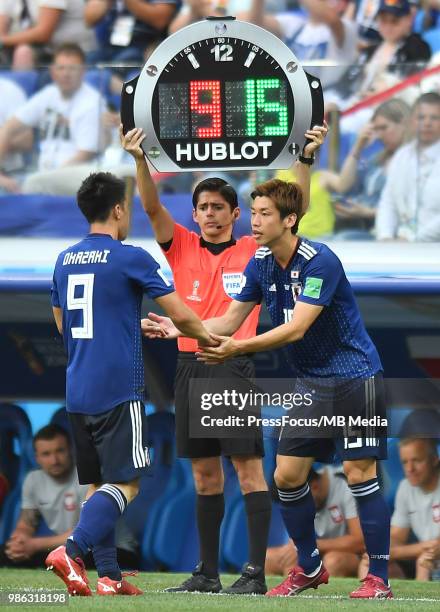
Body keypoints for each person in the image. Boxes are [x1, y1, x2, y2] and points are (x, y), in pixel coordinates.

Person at [146, 177, 392, 599]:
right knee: (286, 476)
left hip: (355, 376)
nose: (255, 222)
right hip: (313, 383)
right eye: (254, 213)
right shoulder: (260, 262)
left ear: (289, 220)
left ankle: (379, 579)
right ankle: (310, 567)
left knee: (358, 472)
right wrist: (181, 327)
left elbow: (295, 329)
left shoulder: (321, 262)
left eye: (264, 214)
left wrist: (237, 347)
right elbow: (227, 319)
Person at [122, 122, 327, 594]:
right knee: (202, 472)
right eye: (202, 208)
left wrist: (307, 160)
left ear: (237, 214)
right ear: (192, 214)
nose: (210, 215)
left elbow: (295, 208)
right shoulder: (181, 245)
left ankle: (254, 573)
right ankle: (206, 574)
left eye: (218, 208)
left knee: (247, 468)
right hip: (188, 367)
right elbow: (150, 205)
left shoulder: (253, 251)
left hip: (232, 365)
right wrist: (139, 160)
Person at [46, 170, 213, 597]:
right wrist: (212, 337)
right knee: (129, 482)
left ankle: (109, 576)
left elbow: (65, 326)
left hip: (77, 388)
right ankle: (72, 549)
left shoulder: (64, 260)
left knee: (98, 483)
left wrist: (122, 325)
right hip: (118, 388)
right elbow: (179, 312)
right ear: (119, 209)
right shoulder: (130, 256)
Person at [0, 43, 104, 195]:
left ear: (83, 71)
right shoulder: (48, 94)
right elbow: (8, 127)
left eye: (72, 68)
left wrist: (49, 178)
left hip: (78, 180)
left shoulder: (93, 102)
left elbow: (85, 153)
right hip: (42, 177)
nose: (66, 74)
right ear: (52, 71)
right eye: (61, 68)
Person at [320, 98, 410, 238]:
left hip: (388, 233)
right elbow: (345, 185)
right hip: (359, 226)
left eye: (384, 128)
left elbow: (411, 210)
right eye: (376, 129)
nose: (379, 135)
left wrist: (367, 212)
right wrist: (358, 146)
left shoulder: (413, 161)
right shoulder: (377, 158)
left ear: (404, 124)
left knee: (338, 241)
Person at [0, 425, 87, 568]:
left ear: (71, 450)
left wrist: (34, 544)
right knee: (7, 552)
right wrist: (20, 539)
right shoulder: (33, 480)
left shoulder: (86, 477)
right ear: (37, 458)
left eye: (60, 451)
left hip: (99, 549)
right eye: (46, 454)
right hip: (62, 548)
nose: (54, 460)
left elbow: (85, 534)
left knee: (75, 553)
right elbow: (27, 522)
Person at [266, 467, 364, 578]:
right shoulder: (298, 492)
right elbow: (295, 542)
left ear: (315, 487)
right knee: (267, 558)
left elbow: (359, 542)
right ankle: (287, 592)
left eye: (298, 502)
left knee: (332, 561)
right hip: (317, 552)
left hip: (355, 556)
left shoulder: (345, 485)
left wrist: (313, 545)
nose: (296, 507)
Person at [245, 0, 358, 89]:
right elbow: (256, 24)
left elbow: (331, 18)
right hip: (291, 98)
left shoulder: (347, 29)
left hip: (324, 102)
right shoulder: (295, 25)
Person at [375, 91, 440, 241]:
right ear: (411, 122)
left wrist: (413, 240)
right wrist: (385, 237)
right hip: (398, 246)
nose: (427, 123)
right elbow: (388, 202)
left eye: (434, 118)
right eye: (421, 117)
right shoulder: (402, 155)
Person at [389, 438, 440, 580]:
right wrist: (380, 551)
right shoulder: (405, 487)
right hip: (426, 557)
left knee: (424, 560)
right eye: (405, 462)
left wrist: (394, 552)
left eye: (417, 460)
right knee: (371, 560)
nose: (410, 469)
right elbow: (396, 537)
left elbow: (437, 545)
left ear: (435, 459)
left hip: (428, 560)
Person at [0, 0, 96, 69]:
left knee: (23, 52)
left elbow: (43, 34)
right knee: (21, 51)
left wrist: (3, 41)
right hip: (48, 52)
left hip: (78, 55)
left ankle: (21, 91)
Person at [84, 0, 181, 65]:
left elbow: (160, 20)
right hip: (108, 46)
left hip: (145, 46)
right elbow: (89, 19)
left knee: (125, 59)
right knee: (88, 61)